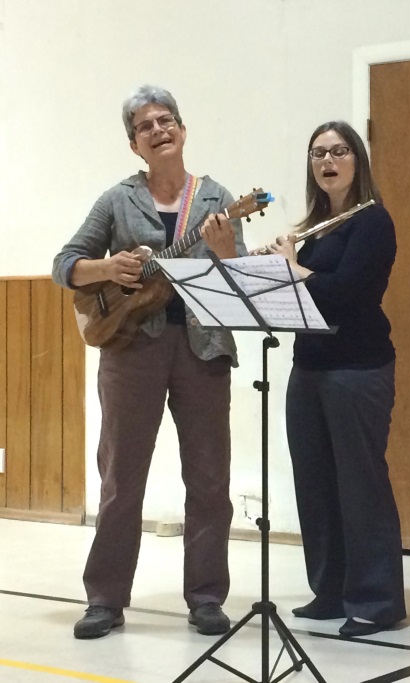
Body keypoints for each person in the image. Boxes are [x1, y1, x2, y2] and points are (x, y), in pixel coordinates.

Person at [53, 85, 247, 639]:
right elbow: (64, 264)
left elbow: (237, 276)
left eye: (167, 121)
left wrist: (227, 249)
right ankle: (105, 599)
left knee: (209, 478)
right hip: (130, 347)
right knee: (121, 478)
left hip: (204, 348)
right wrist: (107, 268)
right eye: (145, 126)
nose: (158, 130)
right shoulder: (117, 200)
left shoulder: (216, 198)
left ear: (183, 130)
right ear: (134, 144)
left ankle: (206, 597)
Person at [264, 121, 406, 638]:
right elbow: (299, 298)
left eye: (339, 151)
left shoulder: (372, 221)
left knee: (360, 484)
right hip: (309, 366)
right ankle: (330, 591)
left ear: (357, 160)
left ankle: (376, 601)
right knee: (315, 483)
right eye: (318, 153)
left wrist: (292, 269)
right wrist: (272, 270)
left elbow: (347, 293)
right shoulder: (313, 228)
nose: (327, 160)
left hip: (358, 368)